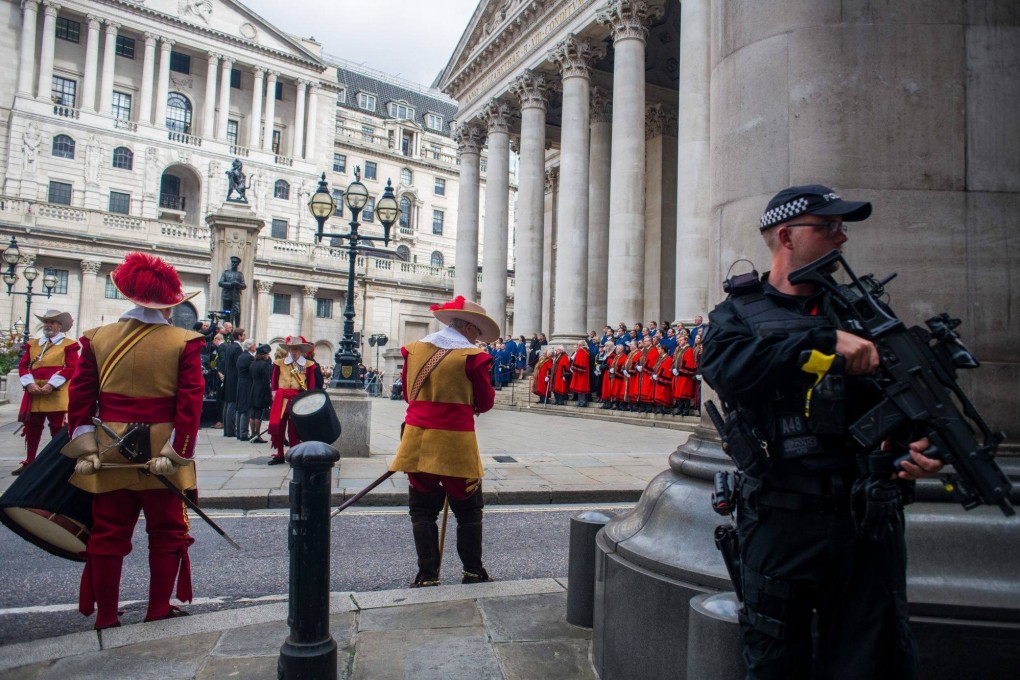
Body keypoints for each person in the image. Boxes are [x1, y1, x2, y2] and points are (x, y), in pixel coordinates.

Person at [699, 184, 942, 679]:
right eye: (828, 227)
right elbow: (725, 368)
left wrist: (917, 446)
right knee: (775, 658)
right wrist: (822, 342)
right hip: (782, 517)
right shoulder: (738, 313)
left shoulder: (862, 311)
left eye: (842, 227)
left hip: (865, 519)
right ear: (786, 236)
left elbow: (906, 401)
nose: (840, 238)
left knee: (871, 659)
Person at [62, 252, 204, 629]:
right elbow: (190, 404)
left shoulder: (96, 338)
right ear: (168, 305)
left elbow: (81, 397)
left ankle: (106, 615)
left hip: (110, 446)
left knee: (108, 532)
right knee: (167, 531)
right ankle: (157, 607)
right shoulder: (185, 341)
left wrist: (86, 447)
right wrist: (178, 452)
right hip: (162, 448)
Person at [388, 295, 498, 587]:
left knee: (422, 510)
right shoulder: (474, 357)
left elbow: (408, 395)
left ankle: (427, 575)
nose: (478, 339)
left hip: (417, 437)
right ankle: (473, 571)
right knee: (469, 511)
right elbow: (485, 402)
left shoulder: (413, 350)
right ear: (469, 328)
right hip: (456, 441)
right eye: (477, 333)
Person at [15, 309, 80, 475]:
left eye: (52, 322)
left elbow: (72, 367)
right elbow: (23, 365)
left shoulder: (69, 345)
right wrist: (29, 383)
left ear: (60, 326)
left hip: (57, 392)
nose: (48, 325)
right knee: (32, 427)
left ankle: (57, 464)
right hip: (34, 391)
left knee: (57, 429)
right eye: (46, 321)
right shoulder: (33, 344)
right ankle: (30, 461)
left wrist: (51, 385)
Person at [267, 336, 318, 465]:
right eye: (291, 349)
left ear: (301, 350)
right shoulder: (279, 363)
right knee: (279, 427)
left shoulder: (309, 365)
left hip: (297, 399)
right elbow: (274, 381)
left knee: (294, 429)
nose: (294, 352)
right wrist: (274, 395)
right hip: (281, 398)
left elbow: (311, 386)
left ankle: (294, 453)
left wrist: (308, 400)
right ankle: (279, 453)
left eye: (296, 349)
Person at [219, 328, 245, 438]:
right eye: (243, 335)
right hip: (234, 378)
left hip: (228, 377)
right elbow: (238, 364)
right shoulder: (238, 348)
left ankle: (227, 430)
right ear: (239, 336)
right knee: (232, 404)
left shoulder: (230, 346)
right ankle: (230, 430)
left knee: (228, 403)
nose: (245, 336)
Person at [248, 344, 272, 443]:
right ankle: (257, 435)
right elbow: (266, 380)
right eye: (267, 353)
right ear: (264, 354)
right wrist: (268, 394)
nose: (268, 355)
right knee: (259, 413)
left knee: (252, 412)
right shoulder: (265, 364)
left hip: (253, 388)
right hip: (261, 389)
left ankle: (253, 433)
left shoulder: (253, 363)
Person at [234, 338, 256, 441]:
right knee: (246, 409)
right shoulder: (249, 358)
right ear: (250, 346)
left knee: (240, 408)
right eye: (254, 345)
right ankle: (243, 433)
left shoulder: (241, 356)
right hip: (247, 384)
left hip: (240, 383)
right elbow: (253, 371)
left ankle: (239, 432)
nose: (255, 346)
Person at [568, 340, 592, 407]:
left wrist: (574, 368)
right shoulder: (584, 351)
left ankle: (582, 402)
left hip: (581, 373)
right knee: (579, 388)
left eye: (578, 345)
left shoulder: (582, 351)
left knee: (581, 388)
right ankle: (580, 401)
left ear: (580, 345)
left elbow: (580, 362)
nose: (577, 346)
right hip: (581, 372)